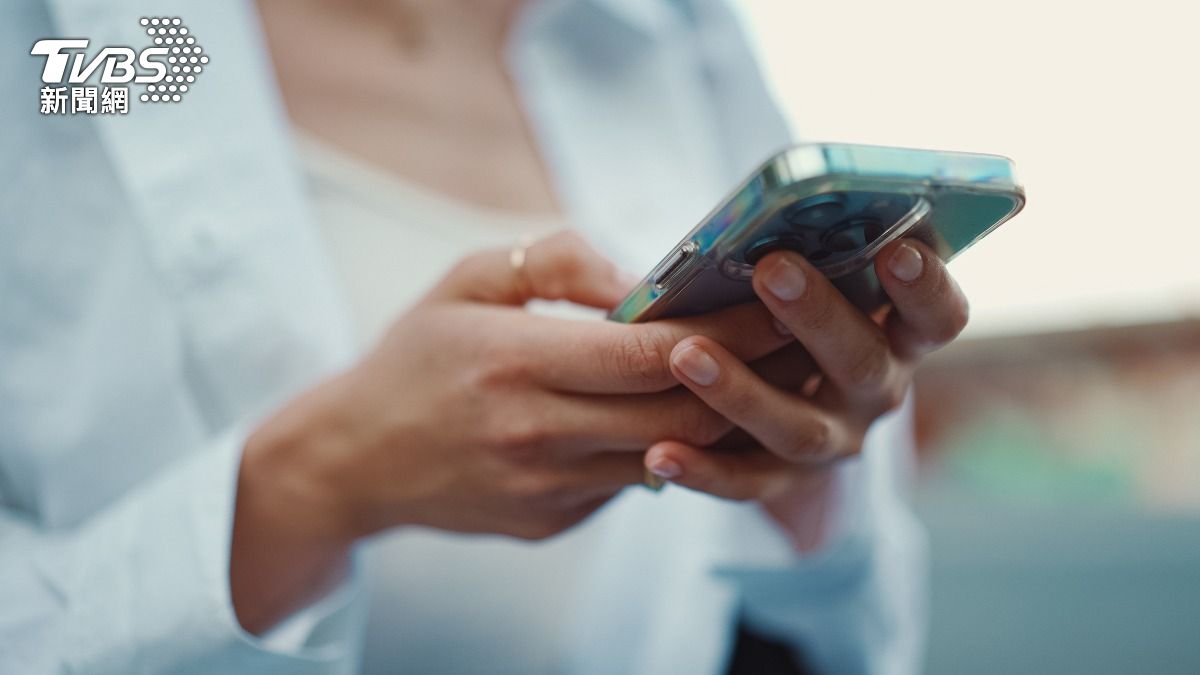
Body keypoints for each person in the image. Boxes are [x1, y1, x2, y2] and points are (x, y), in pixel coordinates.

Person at [0, 1, 970, 673]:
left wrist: (796, 472)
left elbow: (853, 620)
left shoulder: (679, 42)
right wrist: (314, 483)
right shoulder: (90, 52)